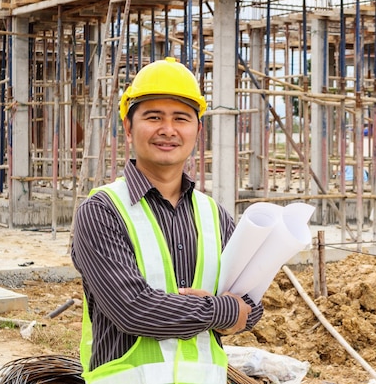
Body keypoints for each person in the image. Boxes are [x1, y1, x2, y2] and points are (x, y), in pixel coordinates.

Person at [71, 57, 263, 384]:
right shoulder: (102, 210)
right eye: (154, 117)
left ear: (198, 130)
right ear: (129, 127)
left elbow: (251, 306)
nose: (168, 130)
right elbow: (133, 310)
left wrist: (235, 311)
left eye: (181, 118)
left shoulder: (214, 216)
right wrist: (221, 311)